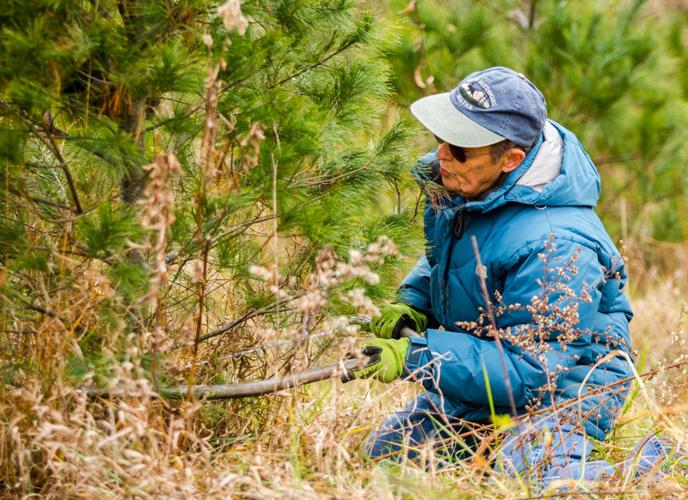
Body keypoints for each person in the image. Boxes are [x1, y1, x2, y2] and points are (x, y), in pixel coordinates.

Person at [352, 67, 636, 485]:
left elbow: (529, 372)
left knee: (530, 477)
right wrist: (413, 306)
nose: (443, 155)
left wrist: (418, 357)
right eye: (442, 139)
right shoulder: (464, 189)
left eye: (461, 149)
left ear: (512, 159)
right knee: (388, 455)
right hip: (486, 369)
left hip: (562, 389)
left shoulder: (556, 243)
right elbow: (445, 261)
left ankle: (648, 465)